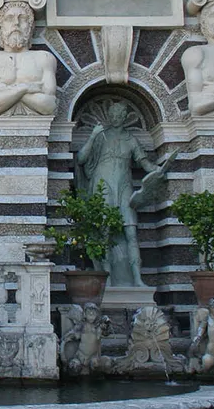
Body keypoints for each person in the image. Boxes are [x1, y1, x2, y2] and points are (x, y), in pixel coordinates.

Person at [74, 101, 175, 287]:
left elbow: (145, 163)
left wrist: (158, 170)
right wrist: (93, 135)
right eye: (112, 115)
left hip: (123, 188)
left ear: (124, 117)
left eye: (119, 115)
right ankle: (108, 280)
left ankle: (137, 279)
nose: (115, 118)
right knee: (104, 232)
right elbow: (81, 158)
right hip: (102, 187)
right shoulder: (100, 137)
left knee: (131, 232)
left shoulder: (130, 140)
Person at [0, 2, 57, 116]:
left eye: (23, 19)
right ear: (0, 25)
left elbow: (49, 106)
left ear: (31, 26)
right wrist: (25, 88)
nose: (16, 23)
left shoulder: (44, 58)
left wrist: (4, 93)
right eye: (9, 19)